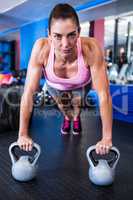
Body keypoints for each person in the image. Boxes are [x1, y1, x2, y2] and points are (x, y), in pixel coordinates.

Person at [17, 3, 112, 155]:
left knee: (77, 105)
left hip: (82, 83)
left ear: (79, 32)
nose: (65, 44)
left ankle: (76, 118)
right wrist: (22, 134)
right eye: (57, 36)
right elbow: (28, 92)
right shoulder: (41, 48)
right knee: (63, 106)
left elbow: (104, 94)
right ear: (49, 34)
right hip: (55, 85)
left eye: (71, 35)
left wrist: (106, 138)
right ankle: (68, 118)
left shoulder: (91, 48)